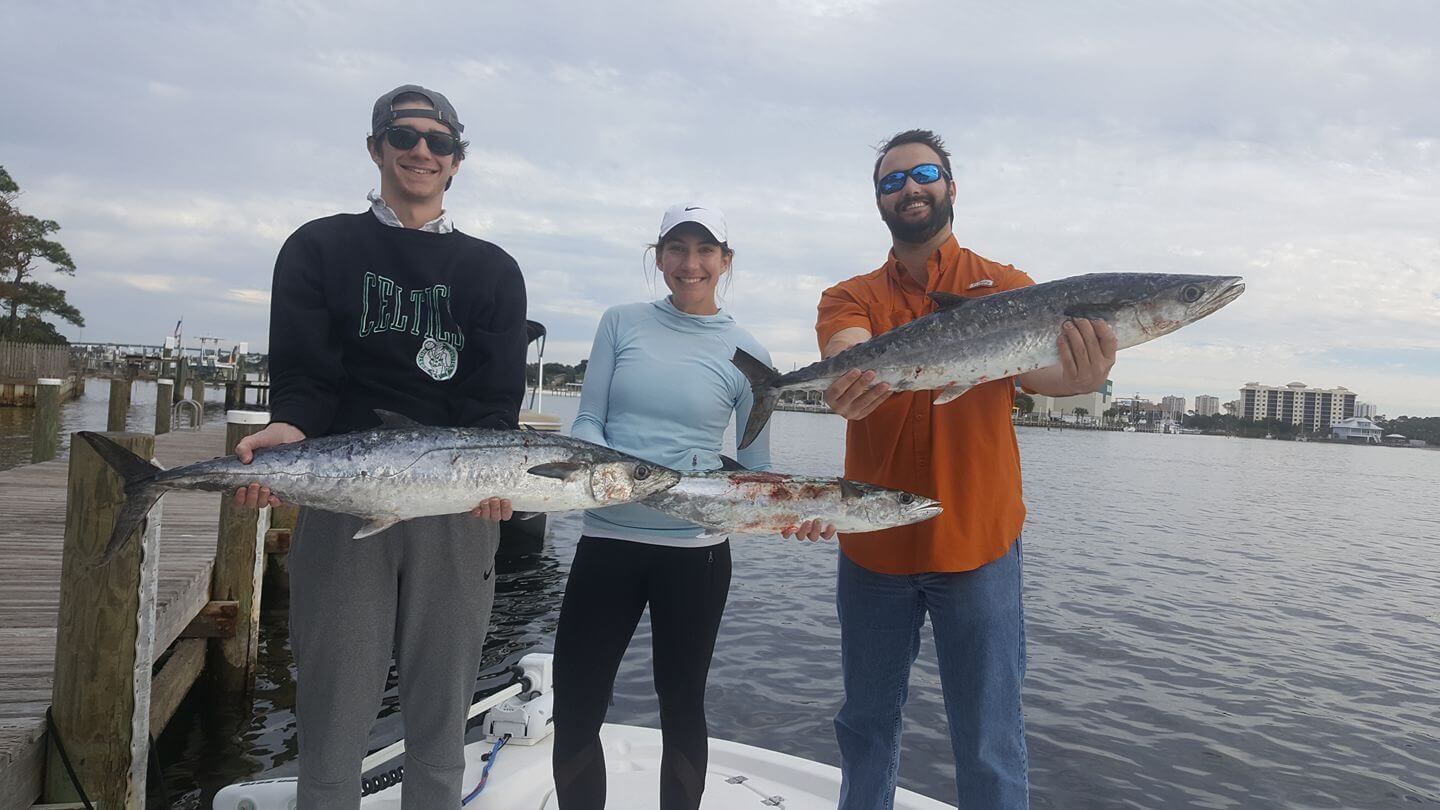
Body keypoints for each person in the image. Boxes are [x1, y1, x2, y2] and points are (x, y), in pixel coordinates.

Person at [230, 84, 529, 809]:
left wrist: (498, 473)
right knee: (332, 713)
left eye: (439, 141)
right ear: (376, 148)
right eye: (405, 136)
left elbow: (494, 402)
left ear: (458, 161)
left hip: (460, 510)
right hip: (344, 499)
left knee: (441, 710)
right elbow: (303, 375)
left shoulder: (493, 270)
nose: (422, 151)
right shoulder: (317, 246)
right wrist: (289, 429)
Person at [816, 129, 1117, 809]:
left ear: (952, 186)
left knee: (988, 737)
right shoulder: (849, 294)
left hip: (978, 543)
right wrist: (851, 375)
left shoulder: (1009, 289)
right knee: (865, 725)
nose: (910, 189)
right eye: (892, 181)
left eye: (923, 174)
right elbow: (848, 346)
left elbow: (1047, 374)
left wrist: (1087, 372)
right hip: (874, 547)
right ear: (879, 203)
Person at [552, 204, 832, 810]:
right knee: (575, 704)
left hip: (695, 554)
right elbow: (588, 421)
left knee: (681, 704)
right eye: (677, 248)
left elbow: (756, 471)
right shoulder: (619, 322)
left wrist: (793, 511)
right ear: (659, 258)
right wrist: (615, 477)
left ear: (726, 262)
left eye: (705, 251)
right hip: (607, 539)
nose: (690, 263)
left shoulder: (748, 355)